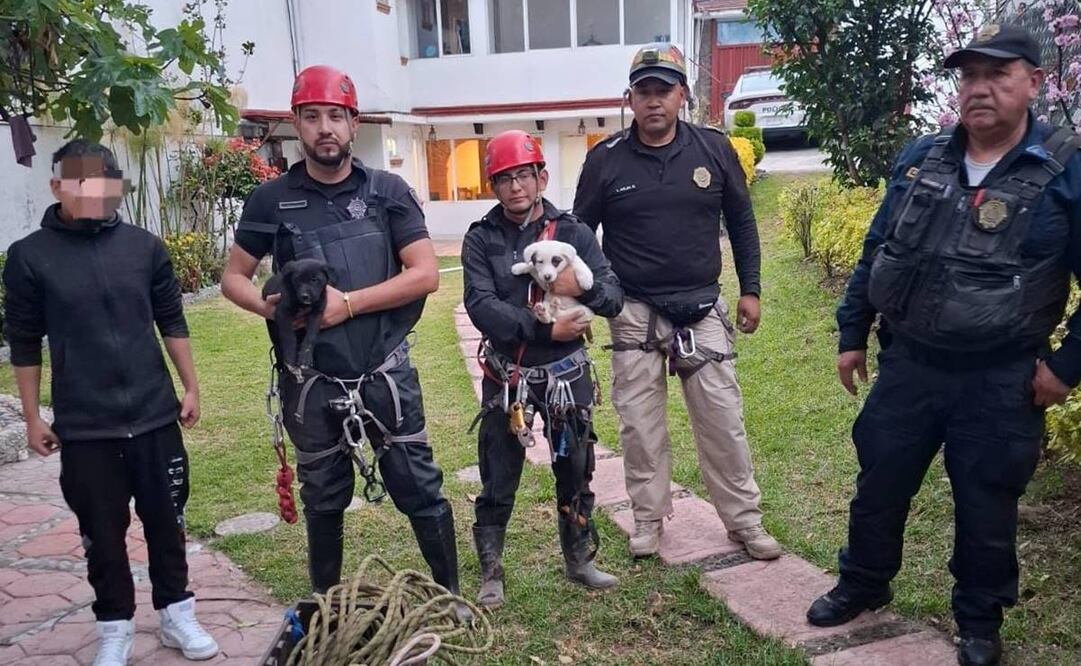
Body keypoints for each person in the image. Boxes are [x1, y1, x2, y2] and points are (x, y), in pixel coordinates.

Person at [806, 24, 1081, 666]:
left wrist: (1067, 367)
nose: (978, 90)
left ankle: (980, 623)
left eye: (997, 75)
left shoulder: (1067, 172)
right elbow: (880, 248)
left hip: (1001, 377)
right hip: (910, 364)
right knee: (879, 483)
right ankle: (863, 583)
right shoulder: (920, 157)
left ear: (1035, 84)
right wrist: (852, 333)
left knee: (986, 504)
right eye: (968, 76)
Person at [220, 66, 466, 613]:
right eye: (311, 117)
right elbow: (232, 276)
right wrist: (270, 309)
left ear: (354, 124)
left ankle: (451, 599)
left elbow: (424, 273)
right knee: (323, 498)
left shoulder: (387, 192)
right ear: (296, 125)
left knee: (419, 488)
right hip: (310, 379)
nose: (324, 128)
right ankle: (327, 609)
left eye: (336, 116)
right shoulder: (271, 201)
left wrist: (347, 305)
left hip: (383, 369)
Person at [3, 140, 219, 665]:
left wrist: (189, 386)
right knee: (102, 533)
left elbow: (171, 320)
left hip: (153, 414)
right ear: (58, 187)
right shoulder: (30, 258)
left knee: (167, 520)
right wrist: (34, 417)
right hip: (85, 425)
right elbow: (25, 343)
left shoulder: (144, 247)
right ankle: (114, 625)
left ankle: (176, 612)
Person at [573, 43, 782, 561]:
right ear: (630, 98)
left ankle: (744, 523)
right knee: (640, 429)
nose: (654, 102)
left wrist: (750, 289)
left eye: (663, 90)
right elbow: (580, 235)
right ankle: (647, 520)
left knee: (723, 422)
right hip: (635, 311)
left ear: (682, 95)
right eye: (643, 92)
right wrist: (602, 296)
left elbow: (742, 223)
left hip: (702, 308)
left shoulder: (714, 149)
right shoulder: (604, 160)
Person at [462, 130, 623, 608]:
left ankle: (579, 559)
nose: (515, 187)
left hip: (565, 375)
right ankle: (491, 569)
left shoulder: (572, 233)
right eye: (504, 178)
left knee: (575, 467)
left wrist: (582, 286)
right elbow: (481, 306)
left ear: (541, 177)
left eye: (524, 175)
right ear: (493, 185)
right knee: (498, 472)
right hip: (507, 375)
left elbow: (612, 296)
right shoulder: (481, 238)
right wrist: (544, 332)